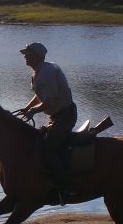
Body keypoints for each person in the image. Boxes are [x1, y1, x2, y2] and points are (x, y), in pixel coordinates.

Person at [16, 42, 77, 204]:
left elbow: (51, 101)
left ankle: (65, 189)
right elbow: (41, 95)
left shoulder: (46, 73)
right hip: (58, 115)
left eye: (27, 54)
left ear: (36, 56)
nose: (24, 56)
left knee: (49, 149)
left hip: (64, 115)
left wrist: (33, 111)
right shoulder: (40, 71)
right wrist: (28, 107)